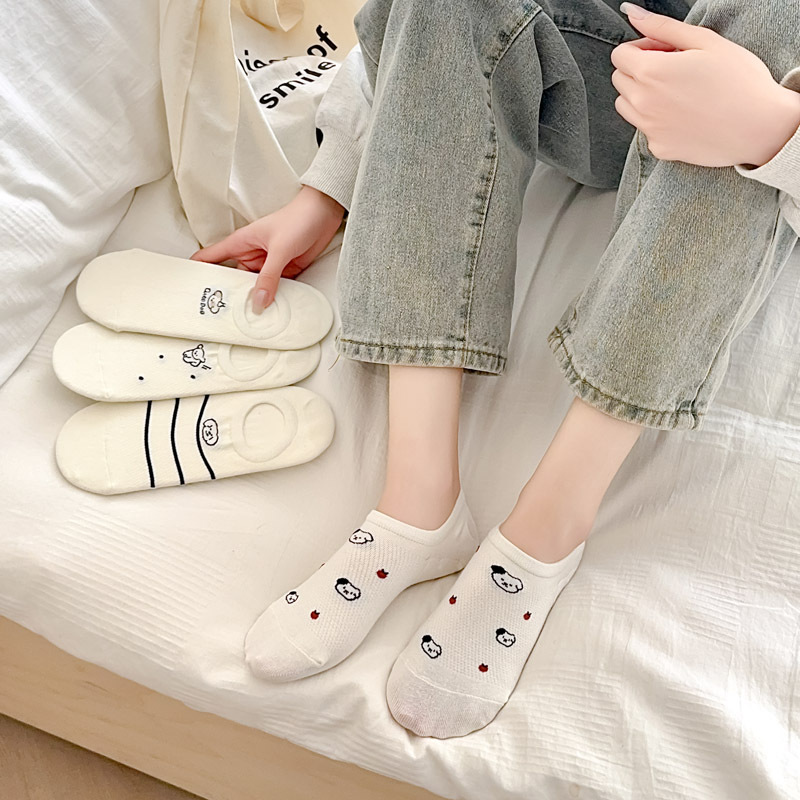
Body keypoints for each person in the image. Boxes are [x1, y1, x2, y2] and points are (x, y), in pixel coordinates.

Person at [193, 0, 800, 739]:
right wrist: (330, 185)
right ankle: (417, 504)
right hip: (606, 82)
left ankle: (547, 529)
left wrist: (777, 129)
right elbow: (404, 33)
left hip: (758, 121)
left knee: (773, 17)